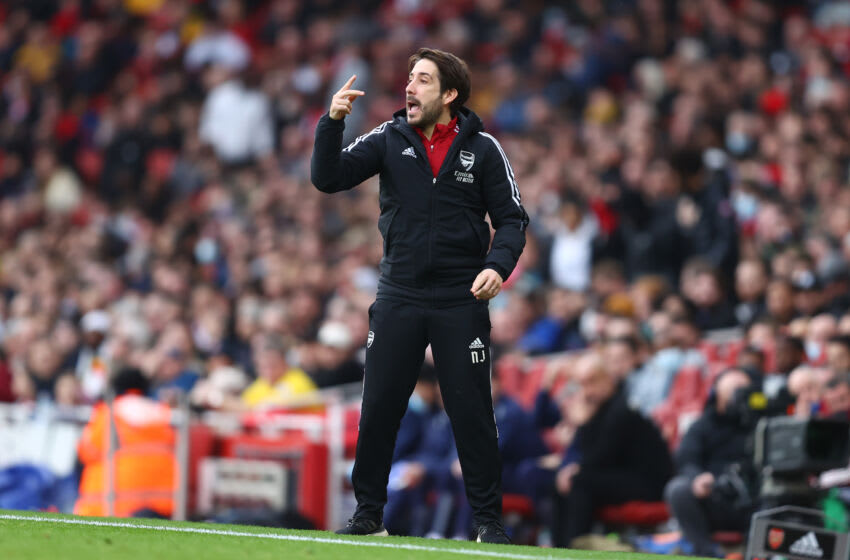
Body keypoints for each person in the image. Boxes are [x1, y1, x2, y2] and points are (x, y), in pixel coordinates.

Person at [311, 47, 528, 543]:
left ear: (449, 94)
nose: (410, 87)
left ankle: (488, 523)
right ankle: (368, 514)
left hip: (459, 298)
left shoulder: (486, 149)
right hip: (400, 293)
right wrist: (331, 122)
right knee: (380, 405)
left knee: (471, 412)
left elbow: (513, 219)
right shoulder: (389, 138)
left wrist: (498, 266)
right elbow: (328, 178)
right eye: (410, 78)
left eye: (423, 80)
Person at [552, 353, 672, 548]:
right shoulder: (599, 408)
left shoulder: (622, 408)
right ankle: (559, 548)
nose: (586, 390)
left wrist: (583, 427)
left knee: (579, 482)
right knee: (561, 483)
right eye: (581, 384)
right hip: (621, 476)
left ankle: (573, 549)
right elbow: (592, 455)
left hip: (647, 482)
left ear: (606, 378)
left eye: (591, 382)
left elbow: (604, 454)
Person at [664, 369, 758, 557]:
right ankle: (705, 553)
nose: (740, 395)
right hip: (715, 497)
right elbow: (686, 459)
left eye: (744, 390)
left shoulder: (760, 424)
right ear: (717, 394)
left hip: (754, 501)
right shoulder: (702, 426)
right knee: (678, 489)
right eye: (735, 390)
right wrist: (697, 478)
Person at [74, 368, 177, 518]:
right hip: (163, 502)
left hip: (113, 504)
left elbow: (87, 451)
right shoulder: (165, 414)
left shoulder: (108, 412)